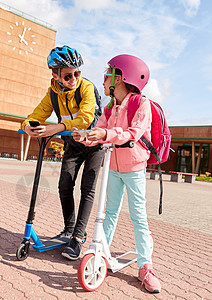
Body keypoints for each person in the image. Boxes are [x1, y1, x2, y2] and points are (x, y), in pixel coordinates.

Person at [72, 54, 162, 293]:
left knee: (138, 216)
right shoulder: (111, 107)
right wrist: (87, 136)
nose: (103, 80)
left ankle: (145, 265)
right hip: (112, 166)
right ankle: (101, 252)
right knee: (109, 211)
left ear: (122, 78)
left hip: (134, 168)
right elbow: (100, 130)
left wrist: (106, 135)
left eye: (108, 75)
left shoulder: (141, 104)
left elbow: (133, 132)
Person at [21, 45, 104, 260]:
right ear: (55, 74)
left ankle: (78, 237)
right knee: (65, 185)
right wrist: (29, 126)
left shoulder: (86, 88)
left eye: (77, 73)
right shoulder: (53, 93)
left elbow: (86, 118)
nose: (74, 78)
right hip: (73, 144)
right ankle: (69, 229)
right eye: (68, 75)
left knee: (87, 189)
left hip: (94, 142)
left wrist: (56, 128)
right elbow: (37, 114)